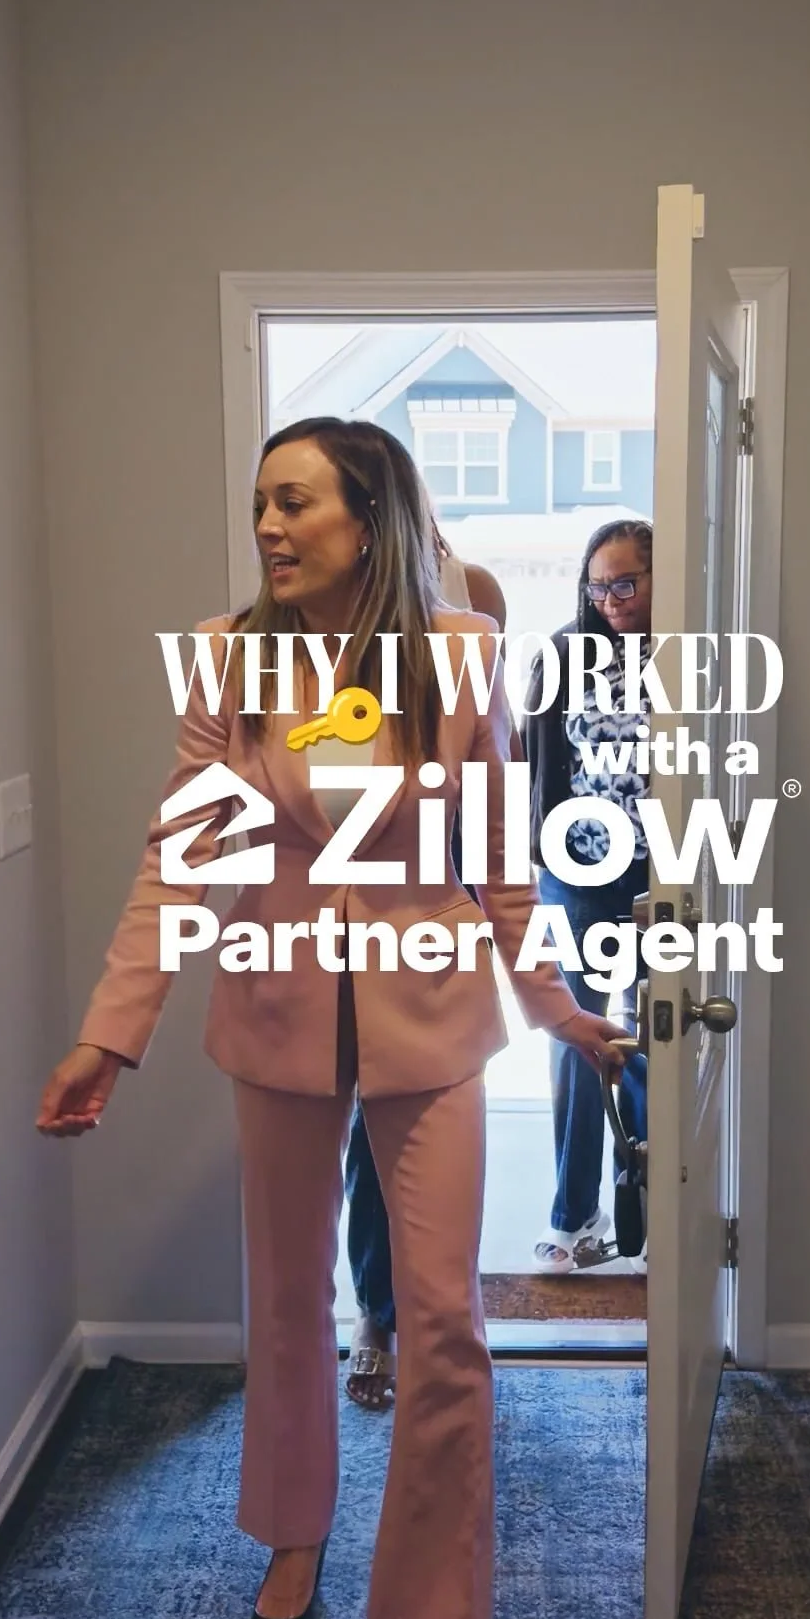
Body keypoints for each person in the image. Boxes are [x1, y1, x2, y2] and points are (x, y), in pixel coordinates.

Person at [34, 418, 627, 1619]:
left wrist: (557, 1010)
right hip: (278, 1019)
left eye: (296, 502)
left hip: (432, 1023)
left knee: (444, 1322)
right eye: (261, 502)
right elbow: (182, 854)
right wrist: (109, 1035)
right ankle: (293, 1535)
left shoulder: (463, 654)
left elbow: (500, 859)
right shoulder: (230, 656)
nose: (269, 526)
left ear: (370, 518)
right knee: (290, 1302)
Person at [343, 530, 506, 1411]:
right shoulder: (313, 616)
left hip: (449, 883)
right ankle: (377, 1311)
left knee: (445, 1134)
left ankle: (442, 1313)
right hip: (352, 902)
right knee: (368, 1131)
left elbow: (492, 746)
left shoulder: (471, 596)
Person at [521, 518, 654, 1274]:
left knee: (655, 1031)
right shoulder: (564, 655)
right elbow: (544, 770)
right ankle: (575, 1215)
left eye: (626, 583)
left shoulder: (690, 658)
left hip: (663, 873)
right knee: (580, 1036)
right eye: (599, 586)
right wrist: (546, 860)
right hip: (580, 870)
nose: (611, 600)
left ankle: (643, 1204)